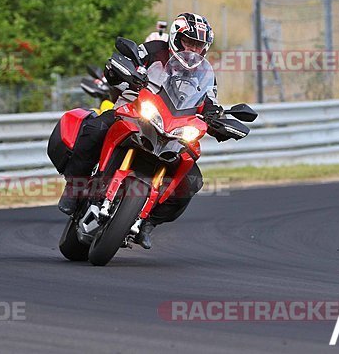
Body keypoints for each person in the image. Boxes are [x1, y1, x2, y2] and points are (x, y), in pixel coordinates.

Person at [58, 12, 222, 249]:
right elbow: (128, 62)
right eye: (189, 42)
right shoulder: (154, 49)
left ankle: (147, 223)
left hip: (174, 127)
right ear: (176, 38)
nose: (193, 49)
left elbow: (211, 101)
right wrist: (127, 72)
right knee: (96, 128)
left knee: (192, 181)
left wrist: (217, 117)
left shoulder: (206, 73)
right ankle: (74, 188)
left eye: (198, 45)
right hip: (137, 108)